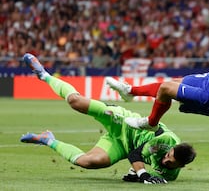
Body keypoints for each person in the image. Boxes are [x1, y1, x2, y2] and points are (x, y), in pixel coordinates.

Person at [20, 53, 196, 184]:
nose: (165, 160)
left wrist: (135, 175)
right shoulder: (167, 141)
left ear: (180, 166)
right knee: (76, 101)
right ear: (171, 149)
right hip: (124, 123)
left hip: (121, 145)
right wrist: (142, 174)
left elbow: (137, 161)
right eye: (168, 155)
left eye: (170, 162)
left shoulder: (171, 174)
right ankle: (44, 75)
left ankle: (48, 140)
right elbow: (137, 154)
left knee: (88, 162)